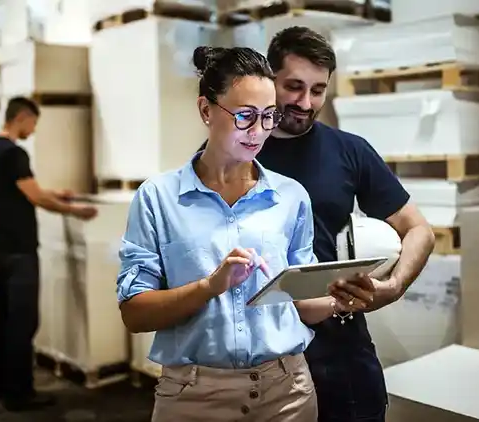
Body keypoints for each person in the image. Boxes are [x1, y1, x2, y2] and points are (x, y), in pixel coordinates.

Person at [116, 46, 345, 422]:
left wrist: (341, 297)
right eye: (245, 116)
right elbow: (135, 315)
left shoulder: (290, 197)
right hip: (194, 399)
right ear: (206, 110)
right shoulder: (158, 198)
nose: (258, 132)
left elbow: (303, 304)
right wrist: (209, 286)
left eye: (269, 117)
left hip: (287, 394)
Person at [260, 27, 435, 421]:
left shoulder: (349, 150)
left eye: (318, 90)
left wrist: (392, 287)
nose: (306, 102)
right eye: (294, 87)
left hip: (341, 353)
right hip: (262, 357)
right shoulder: (233, 152)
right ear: (269, 78)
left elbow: (419, 230)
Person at [0, 96, 98, 412]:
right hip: (20, 249)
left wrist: (55, 193)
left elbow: (18, 190)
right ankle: (20, 393)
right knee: (23, 320)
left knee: (2, 318)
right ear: (22, 118)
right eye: (33, 122)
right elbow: (35, 198)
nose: (33, 129)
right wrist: (73, 210)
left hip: (1, 248)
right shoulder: (15, 153)